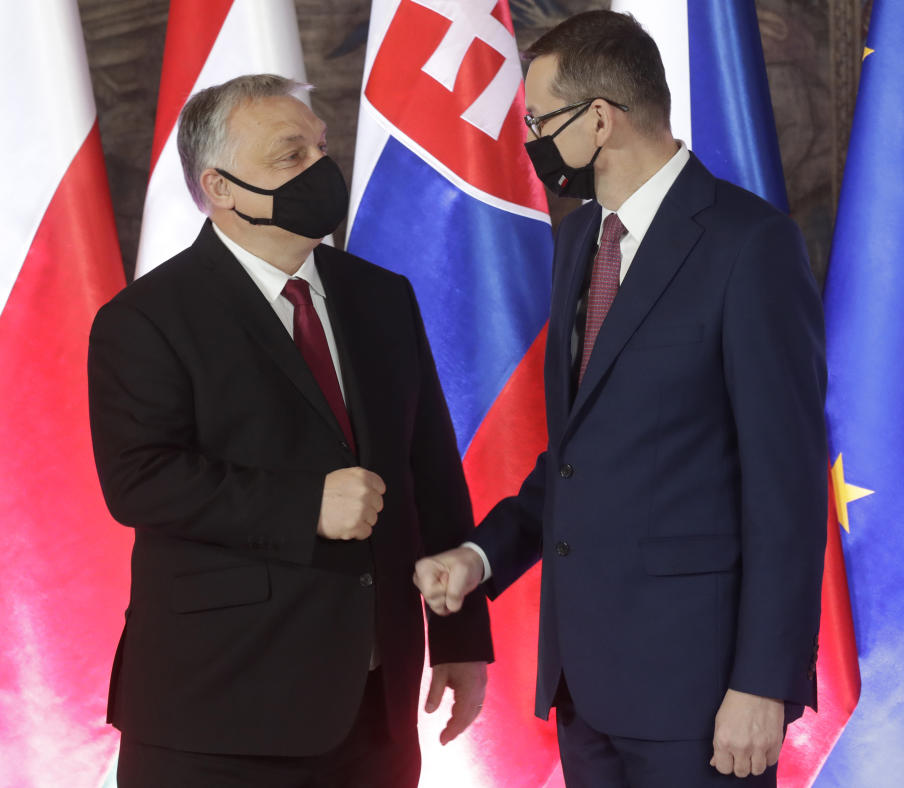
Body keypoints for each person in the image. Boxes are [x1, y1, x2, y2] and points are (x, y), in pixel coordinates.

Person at [414, 11, 826, 787]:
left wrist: (763, 683)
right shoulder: (579, 241)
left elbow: (787, 485)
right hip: (584, 691)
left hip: (702, 698)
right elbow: (581, 456)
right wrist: (479, 557)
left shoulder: (749, 244)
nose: (531, 139)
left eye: (538, 120)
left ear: (599, 119)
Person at [88, 74, 492, 788]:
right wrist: (306, 505)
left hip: (376, 714)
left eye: (320, 147)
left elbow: (430, 470)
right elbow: (139, 482)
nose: (320, 169)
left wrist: (461, 637)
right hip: (217, 717)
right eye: (291, 156)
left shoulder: (381, 295)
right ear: (222, 188)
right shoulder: (145, 318)